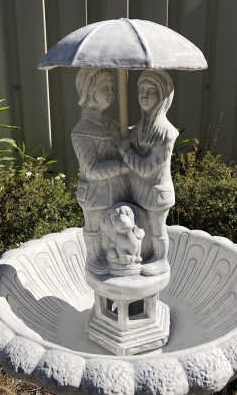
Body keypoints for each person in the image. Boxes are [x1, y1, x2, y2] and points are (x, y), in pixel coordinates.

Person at [118, 70, 179, 276]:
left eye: (151, 91)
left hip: (157, 193)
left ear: (163, 96)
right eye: (141, 90)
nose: (144, 95)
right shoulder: (141, 127)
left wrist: (125, 150)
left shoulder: (165, 132)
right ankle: (142, 255)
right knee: (142, 229)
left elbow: (145, 169)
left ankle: (161, 260)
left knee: (157, 229)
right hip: (138, 191)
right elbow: (129, 136)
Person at [72, 67, 129, 275]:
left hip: (119, 191)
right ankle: (96, 258)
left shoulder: (113, 126)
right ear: (89, 91)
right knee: (94, 230)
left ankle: (120, 257)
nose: (111, 91)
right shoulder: (81, 131)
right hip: (95, 195)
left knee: (119, 229)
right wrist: (121, 167)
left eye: (113, 87)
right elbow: (91, 170)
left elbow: (126, 137)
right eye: (105, 87)